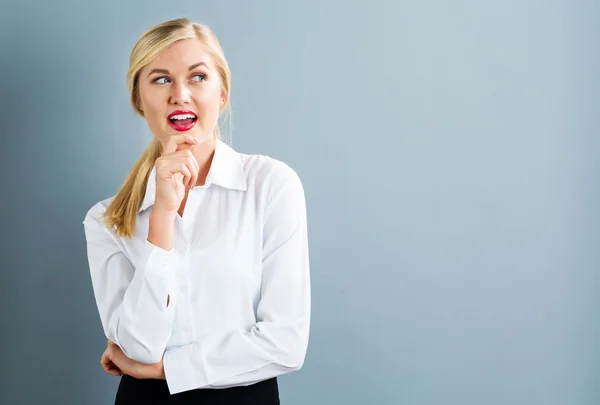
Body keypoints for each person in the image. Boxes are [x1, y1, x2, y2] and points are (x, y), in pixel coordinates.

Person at [82, 18, 310, 405]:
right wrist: (161, 217)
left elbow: (285, 343)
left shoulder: (270, 185)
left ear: (222, 94)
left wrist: (164, 369)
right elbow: (138, 346)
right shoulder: (107, 220)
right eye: (160, 79)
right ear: (139, 101)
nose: (180, 95)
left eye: (198, 77)